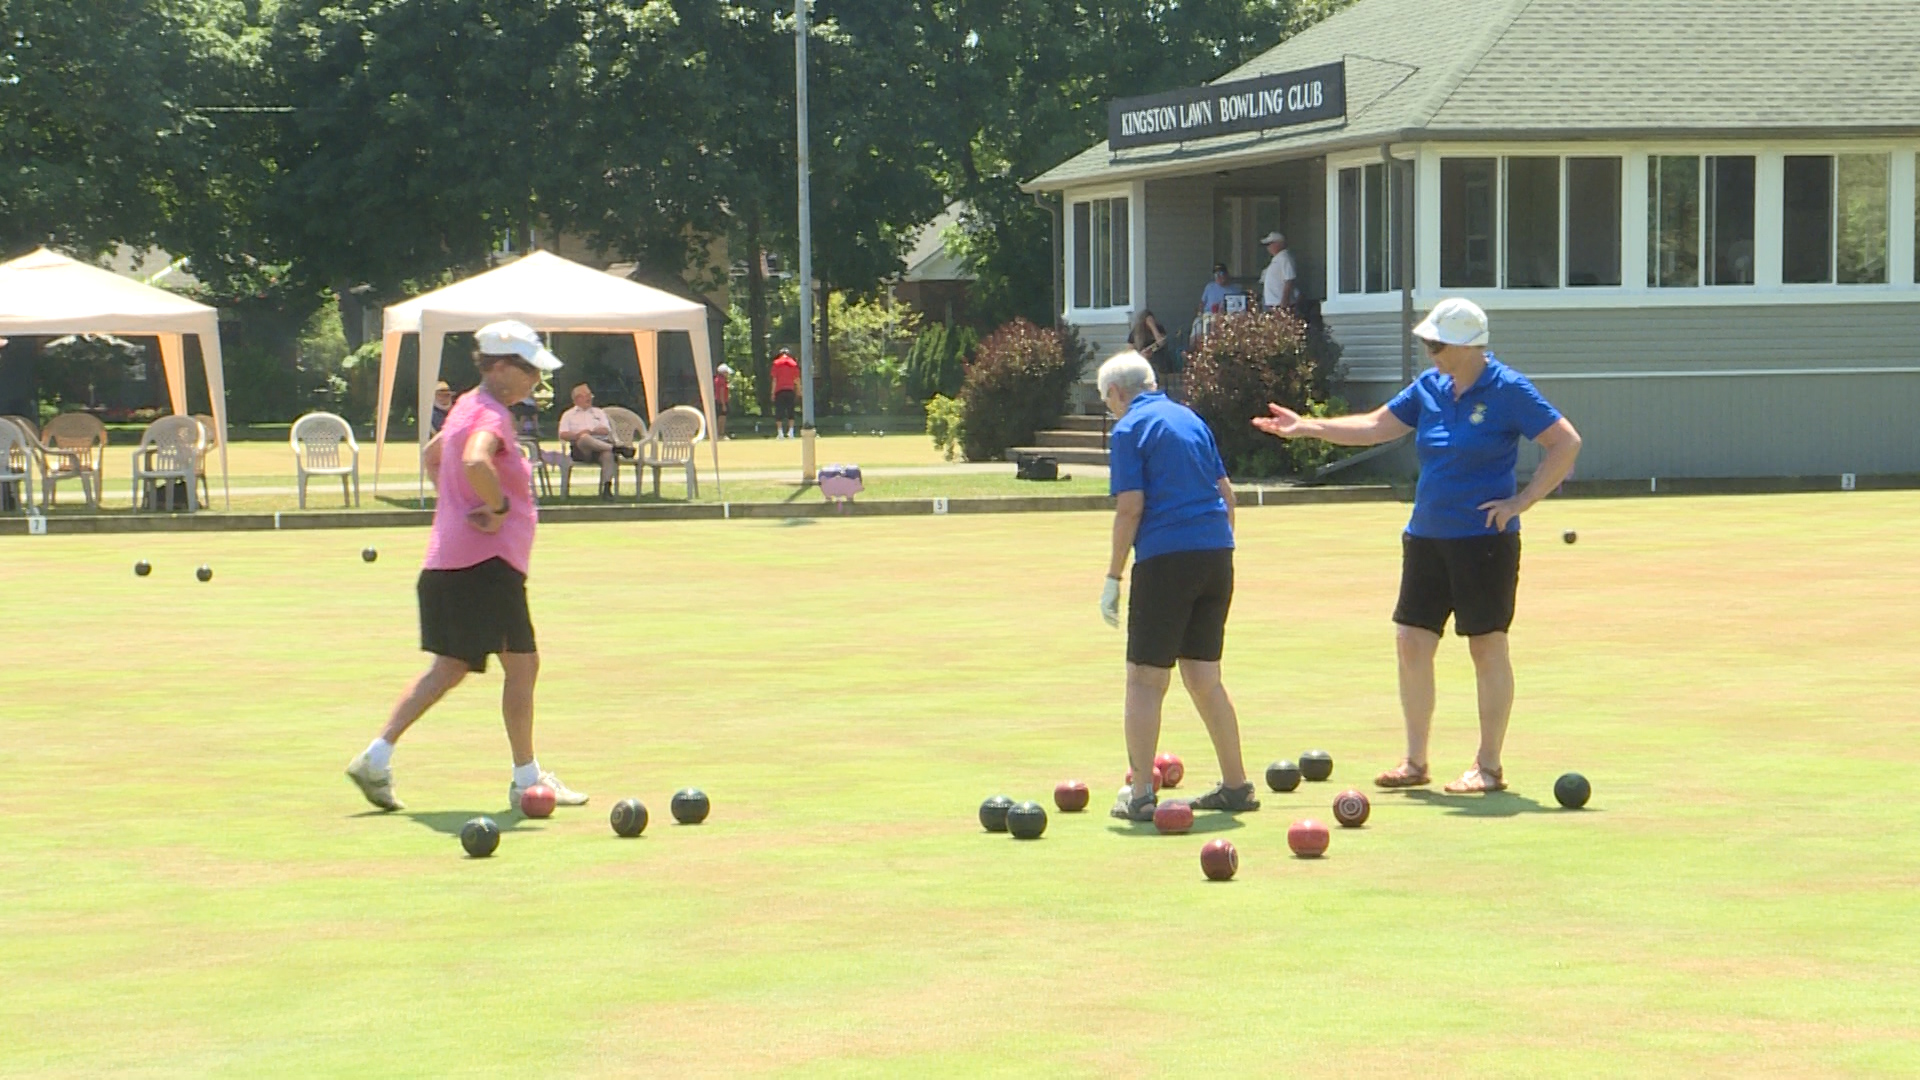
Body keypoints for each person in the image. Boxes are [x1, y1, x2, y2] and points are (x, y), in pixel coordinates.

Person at [1252, 297, 1582, 794]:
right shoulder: (1429, 387)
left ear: (1467, 345)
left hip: (1484, 541)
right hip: (1426, 536)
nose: (1429, 351)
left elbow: (1565, 442)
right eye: (1428, 341)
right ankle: (1414, 761)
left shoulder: (1508, 389)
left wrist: (1522, 501)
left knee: (1486, 648)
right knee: (1411, 642)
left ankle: (1488, 766)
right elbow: (1376, 425)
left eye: (1437, 343)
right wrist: (1307, 427)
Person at [345, 319, 588, 813]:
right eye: (529, 372)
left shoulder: (463, 408)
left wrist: (455, 507)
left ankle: (376, 757)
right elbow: (476, 462)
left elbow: (434, 459)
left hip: (453, 564)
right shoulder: (491, 417)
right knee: (522, 666)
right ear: (498, 367)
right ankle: (527, 779)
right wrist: (496, 507)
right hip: (486, 566)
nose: (536, 382)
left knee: (450, 667)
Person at [1098, 350, 1257, 822]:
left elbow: (1131, 508)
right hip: (1216, 554)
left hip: (1166, 558)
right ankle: (1236, 786)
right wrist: (1215, 549)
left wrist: (1113, 575)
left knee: (1146, 677)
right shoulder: (1191, 418)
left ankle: (1141, 792)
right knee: (1205, 677)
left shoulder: (1129, 428)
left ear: (1116, 393)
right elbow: (1227, 497)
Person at [558, 382, 620, 499]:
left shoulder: (598, 412)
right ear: (577, 399)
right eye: (586, 395)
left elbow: (606, 430)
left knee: (608, 455)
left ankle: (606, 489)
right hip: (581, 448)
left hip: (600, 446)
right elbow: (563, 434)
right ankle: (616, 449)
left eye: (590, 395)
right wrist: (579, 435)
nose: (590, 398)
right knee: (584, 438)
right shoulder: (568, 415)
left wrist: (590, 432)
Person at [1259, 232, 1298, 311]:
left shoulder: (1285, 258)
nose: (1268, 247)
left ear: (1279, 243)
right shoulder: (1277, 258)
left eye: (1270, 244)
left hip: (1279, 304)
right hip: (1271, 303)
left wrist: (1284, 301)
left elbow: (1289, 279)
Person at [770, 347, 800, 439]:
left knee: (779, 412)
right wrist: (799, 390)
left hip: (780, 390)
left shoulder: (776, 364)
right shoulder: (793, 364)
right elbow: (797, 379)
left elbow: (774, 380)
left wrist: (772, 393)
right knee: (791, 411)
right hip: (790, 390)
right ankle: (790, 432)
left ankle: (780, 433)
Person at [713, 363, 732, 440]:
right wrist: (723, 404)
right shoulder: (722, 381)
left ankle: (719, 433)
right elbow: (721, 392)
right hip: (722, 401)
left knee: (720, 417)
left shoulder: (717, 379)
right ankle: (721, 433)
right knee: (722, 418)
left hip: (719, 401)